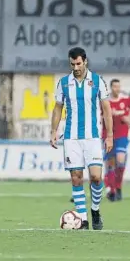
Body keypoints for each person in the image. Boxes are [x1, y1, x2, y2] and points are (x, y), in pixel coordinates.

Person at [50, 47, 113, 230]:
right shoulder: (63, 83)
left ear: (85, 61)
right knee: (76, 178)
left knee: (95, 177)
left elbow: (106, 110)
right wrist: (53, 131)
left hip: (92, 137)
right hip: (71, 138)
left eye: (78, 63)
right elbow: (57, 108)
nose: (76, 67)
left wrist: (109, 136)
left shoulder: (97, 81)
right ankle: (83, 220)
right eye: (72, 64)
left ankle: (95, 210)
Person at [102, 79, 130, 202]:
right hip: (108, 135)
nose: (117, 89)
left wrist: (128, 119)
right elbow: (101, 116)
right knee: (110, 164)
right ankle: (112, 190)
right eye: (115, 86)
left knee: (120, 161)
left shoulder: (126, 100)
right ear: (111, 88)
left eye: (119, 86)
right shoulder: (105, 102)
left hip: (122, 135)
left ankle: (118, 186)